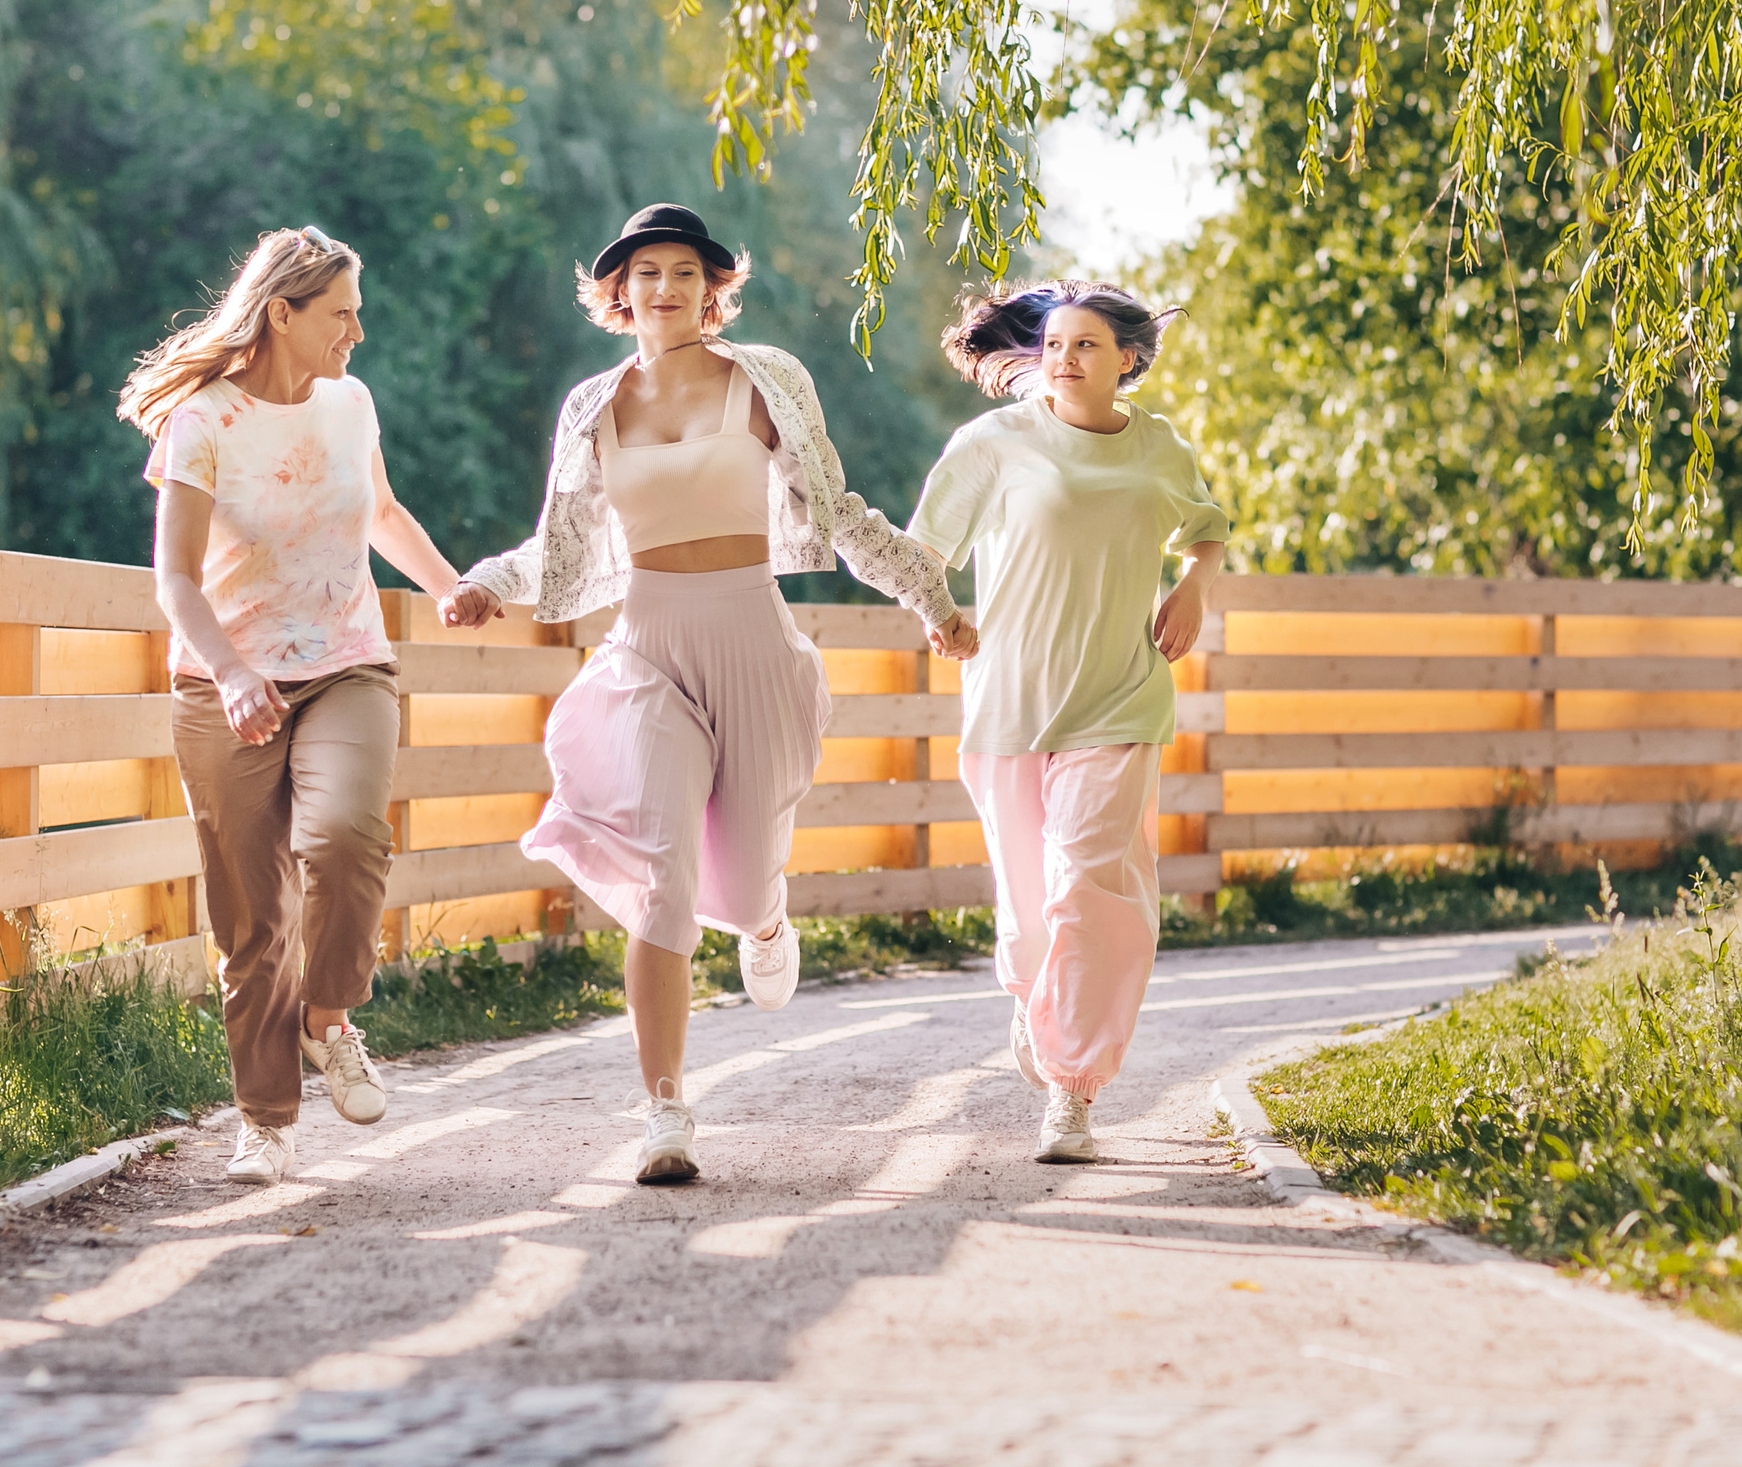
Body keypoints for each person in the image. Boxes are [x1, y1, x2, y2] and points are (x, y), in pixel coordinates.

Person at [440, 204, 977, 1184]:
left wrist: (931, 601)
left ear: (712, 288)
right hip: (646, 646)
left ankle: (765, 918)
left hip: (753, 642)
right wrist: (485, 582)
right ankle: (665, 1112)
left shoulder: (764, 381)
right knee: (662, 875)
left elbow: (839, 511)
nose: (664, 287)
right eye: (644, 273)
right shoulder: (591, 409)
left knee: (741, 873)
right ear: (617, 294)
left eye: (683, 271)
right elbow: (555, 547)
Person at [121, 226, 464, 1185]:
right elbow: (175, 579)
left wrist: (444, 585)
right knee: (251, 921)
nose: (358, 330)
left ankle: (327, 1016)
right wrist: (232, 673)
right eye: (342, 313)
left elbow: (384, 513)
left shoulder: (352, 404)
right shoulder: (203, 421)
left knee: (347, 835)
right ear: (284, 313)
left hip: (347, 661)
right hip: (223, 681)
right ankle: (266, 1120)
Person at [905, 281, 1228, 1164]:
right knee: (1030, 913)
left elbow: (1206, 528)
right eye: (1052, 344)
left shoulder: (1156, 446)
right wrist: (939, 613)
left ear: (1127, 358)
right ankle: (1037, 1001)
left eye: (1086, 345)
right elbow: (925, 549)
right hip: (1010, 702)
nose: (1064, 359)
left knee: (1090, 887)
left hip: (1120, 697)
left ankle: (1072, 1091)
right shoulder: (995, 442)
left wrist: (1194, 582)